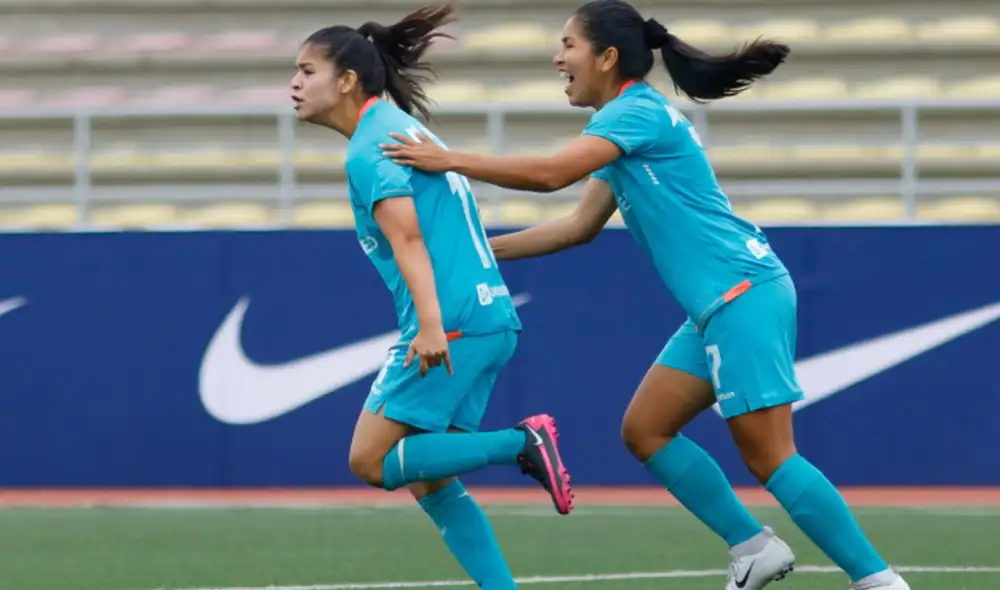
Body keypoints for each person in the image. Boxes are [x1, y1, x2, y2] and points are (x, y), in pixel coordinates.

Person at [379, 1, 910, 589]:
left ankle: (878, 581)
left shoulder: (635, 112)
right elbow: (575, 227)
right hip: (718, 307)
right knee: (646, 429)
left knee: (770, 457)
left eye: (568, 46)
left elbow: (552, 175)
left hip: (742, 293)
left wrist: (449, 158)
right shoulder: (622, 124)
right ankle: (753, 546)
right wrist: (479, 252)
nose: (558, 58)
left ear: (607, 58)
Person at [289, 4, 574, 589]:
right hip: (489, 317)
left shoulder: (372, 146)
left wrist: (428, 323)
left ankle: (523, 441)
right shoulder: (403, 129)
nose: (294, 83)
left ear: (346, 81)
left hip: (454, 322)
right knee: (432, 479)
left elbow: (408, 235)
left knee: (369, 460)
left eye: (306, 70)